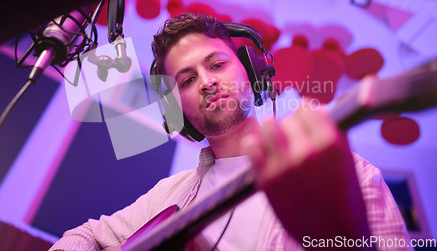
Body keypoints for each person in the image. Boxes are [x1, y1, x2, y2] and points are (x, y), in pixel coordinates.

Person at [49, 13, 409, 251]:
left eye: (217, 64)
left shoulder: (350, 175)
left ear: (252, 74)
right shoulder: (169, 193)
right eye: (187, 80)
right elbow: (85, 236)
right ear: (179, 110)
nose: (206, 82)